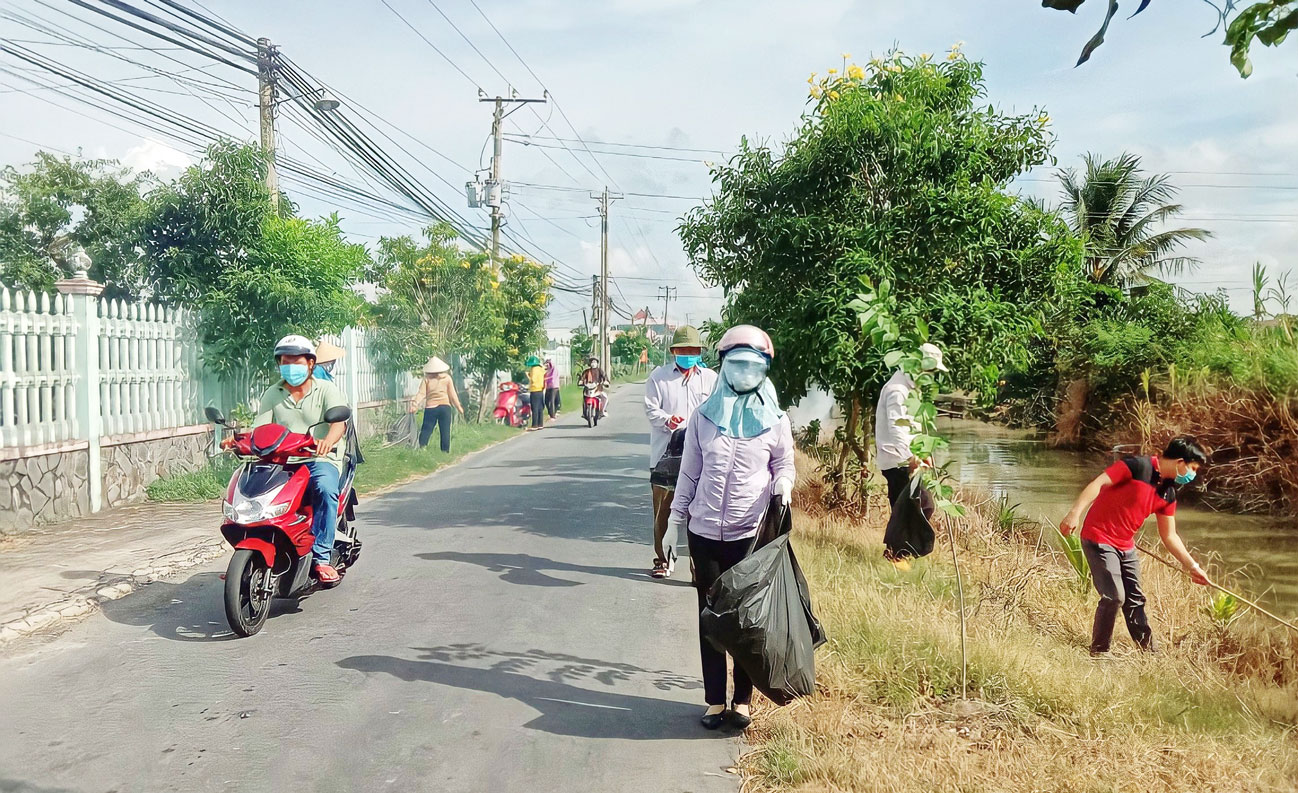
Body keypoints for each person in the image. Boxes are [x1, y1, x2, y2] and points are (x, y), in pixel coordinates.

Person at [669, 324, 795, 731]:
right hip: (703, 533)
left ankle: (741, 701)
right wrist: (674, 521)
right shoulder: (704, 417)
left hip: (749, 534)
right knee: (710, 619)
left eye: (752, 366)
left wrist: (784, 488)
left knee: (743, 620)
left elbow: (783, 465)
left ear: (765, 369)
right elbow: (689, 473)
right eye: (736, 365)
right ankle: (712, 701)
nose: (743, 373)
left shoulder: (776, 420)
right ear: (722, 366)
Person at [1060, 437, 1211, 655]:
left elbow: (1169, 536)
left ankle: (1149, 652)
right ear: (1180, 462)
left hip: (1126, 546)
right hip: (1099, 538)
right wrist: (1074, 513)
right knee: (1114, 596)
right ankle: (1100, 652)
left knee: (1135, 599)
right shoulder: (1137, 466)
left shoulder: (1167, 493)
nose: (1192, 475)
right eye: (1192, 468)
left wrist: (1193, 567)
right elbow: (1098, 483)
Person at [231, 335, 349, 585]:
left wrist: (328, 440)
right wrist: (238, 441)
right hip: (282, 461)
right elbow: (260, 428)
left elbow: (338, 423)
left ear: (310, 363)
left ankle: (322, 558)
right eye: (285, 362)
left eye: (296, 361)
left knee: (326, 490)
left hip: (318, 458)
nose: (290, 366)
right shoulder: (273, 393)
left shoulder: (326, 389)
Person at [643, 325, 717, 578]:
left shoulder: (710, 380)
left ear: (700, 352)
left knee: (700, 512)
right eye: (684, 349)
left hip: (701, 456)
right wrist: (667, 420)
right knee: (664, 509)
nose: (689, 353)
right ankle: (662, 560)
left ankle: (698, 567)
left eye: (694, 350)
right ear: (674, 351)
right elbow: (651, 409)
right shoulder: (659, 377)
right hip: (666, 456)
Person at [875, 342, 948, 514]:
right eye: (930, 370)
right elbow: (897, 430)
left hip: (904, 459)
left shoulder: (910, 388)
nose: (931, 375)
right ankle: (902, 542)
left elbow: (911, 427)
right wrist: (912, 458)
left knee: (910, 512)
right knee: (921, 507)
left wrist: (923, 453)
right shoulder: (898, 390)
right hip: (898, 461)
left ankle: (901, 542)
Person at [408, 357, 464, 452]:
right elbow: (452, 394)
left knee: (426, 429)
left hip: (431, 408)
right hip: (445, 407)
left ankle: (422, 448)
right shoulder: (447, 378)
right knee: (445, 431)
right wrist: (458, 407)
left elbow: (421, 393)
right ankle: (445, 451)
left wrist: (415, 404)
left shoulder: (427, 379)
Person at [525, 355, 546, 431]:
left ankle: (534, 425)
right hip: (540, 389)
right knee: (540, 407)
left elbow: (533, 379)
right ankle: (540, 424)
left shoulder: (533, 369)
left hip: (534, 390)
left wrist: (528, 376)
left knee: (535, 408)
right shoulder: (540, 369)